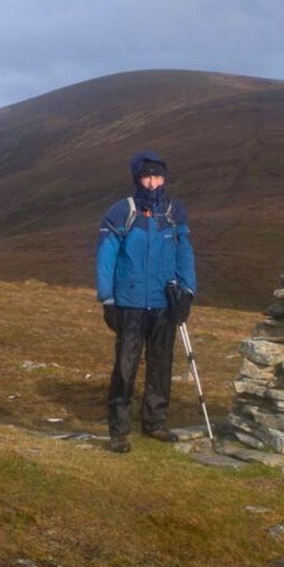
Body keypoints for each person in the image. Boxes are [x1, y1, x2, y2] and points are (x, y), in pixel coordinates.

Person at [94, 150, 197, 453]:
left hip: (164, 302)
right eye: (147, 176)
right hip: (129, 303)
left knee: (161, 364)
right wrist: (108, 299)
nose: (153, 182)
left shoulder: (173, 212)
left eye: (158, 176)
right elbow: (106, 256)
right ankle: (119, 429)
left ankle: (155, 422)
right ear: (137, 178)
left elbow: (184, 252)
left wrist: (187, 292)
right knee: (126, 366)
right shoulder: (121, 212)